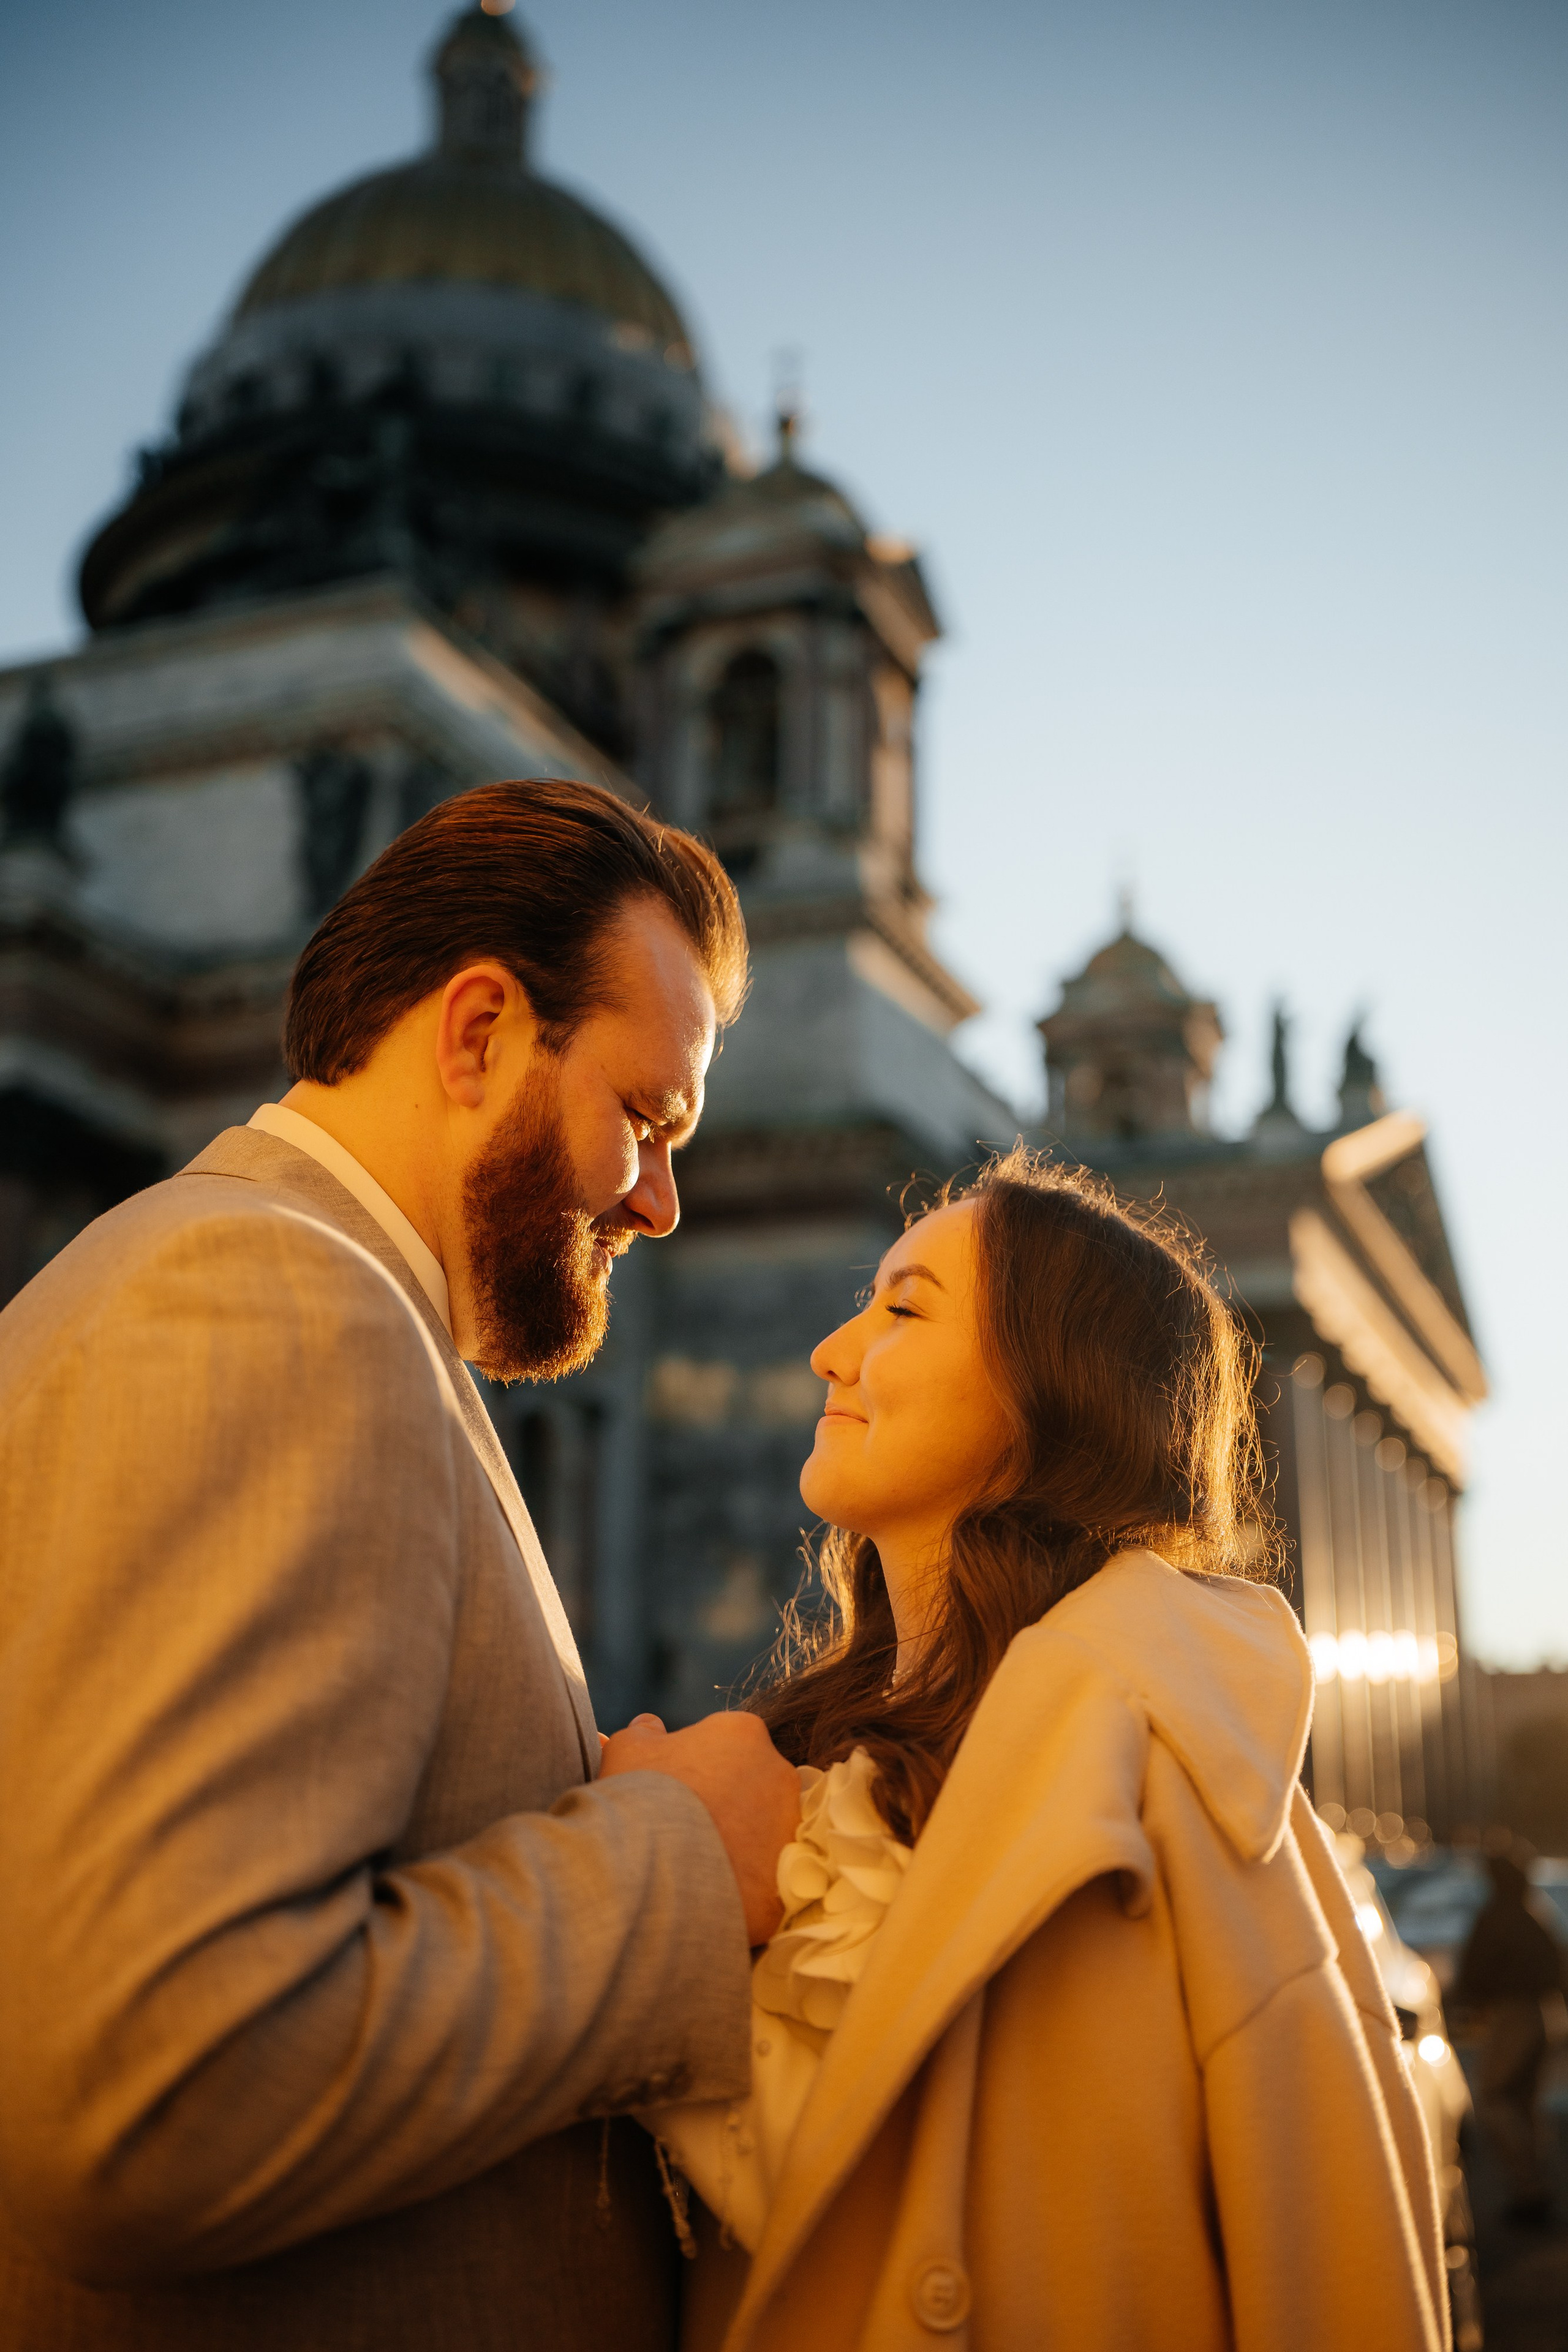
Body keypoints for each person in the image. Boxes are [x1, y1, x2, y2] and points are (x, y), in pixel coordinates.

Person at [0, 779, 801, 2351]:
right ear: (480, 1030)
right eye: (644, 1115)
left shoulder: (267, 1289)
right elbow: (153, 2085)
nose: (661, 1198)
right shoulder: (271, 1299)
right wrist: (674, 1865)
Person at [638, 1149, 1450, 2352]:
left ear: (1051, 1390)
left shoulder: (1190, 1791)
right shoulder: (769, 1772)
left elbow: (1336, 2287)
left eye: (902, 1307)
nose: (829, 1350)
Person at [1455, 1847, 1566, 2227]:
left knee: (1495, 2101)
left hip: (1512, 2016)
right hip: (1544, 2014)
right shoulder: (1535, 1914)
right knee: (1524, 2105)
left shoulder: (1496, 1917)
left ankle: (1529, 2192)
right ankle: (1534, 2191)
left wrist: (1465, 2007)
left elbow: (1473, 1973)